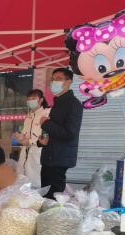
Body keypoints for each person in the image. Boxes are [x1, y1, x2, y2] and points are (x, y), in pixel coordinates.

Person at [38, 68, 83, 199]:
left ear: (69, 82)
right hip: (49, 156)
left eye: (58, 79)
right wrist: (42, 140)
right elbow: (53, 129)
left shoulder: (73, 104)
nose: (54, 82)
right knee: (45, 194)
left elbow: (70, 133)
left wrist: (46, 123)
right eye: (52, 79)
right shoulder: (56, 102)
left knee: (53, 197)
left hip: (59, 158)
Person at [13, 89, 51, 188]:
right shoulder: (29, 115)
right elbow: (24, 133)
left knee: (36, 181)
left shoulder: (47, 113)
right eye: (29, 99)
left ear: (41, 100)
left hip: (38, 152)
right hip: (25, 151)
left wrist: (30, 141)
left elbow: (46, 136)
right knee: (22, 179)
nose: (31, 101)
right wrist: (19, 137)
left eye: (34, 98)